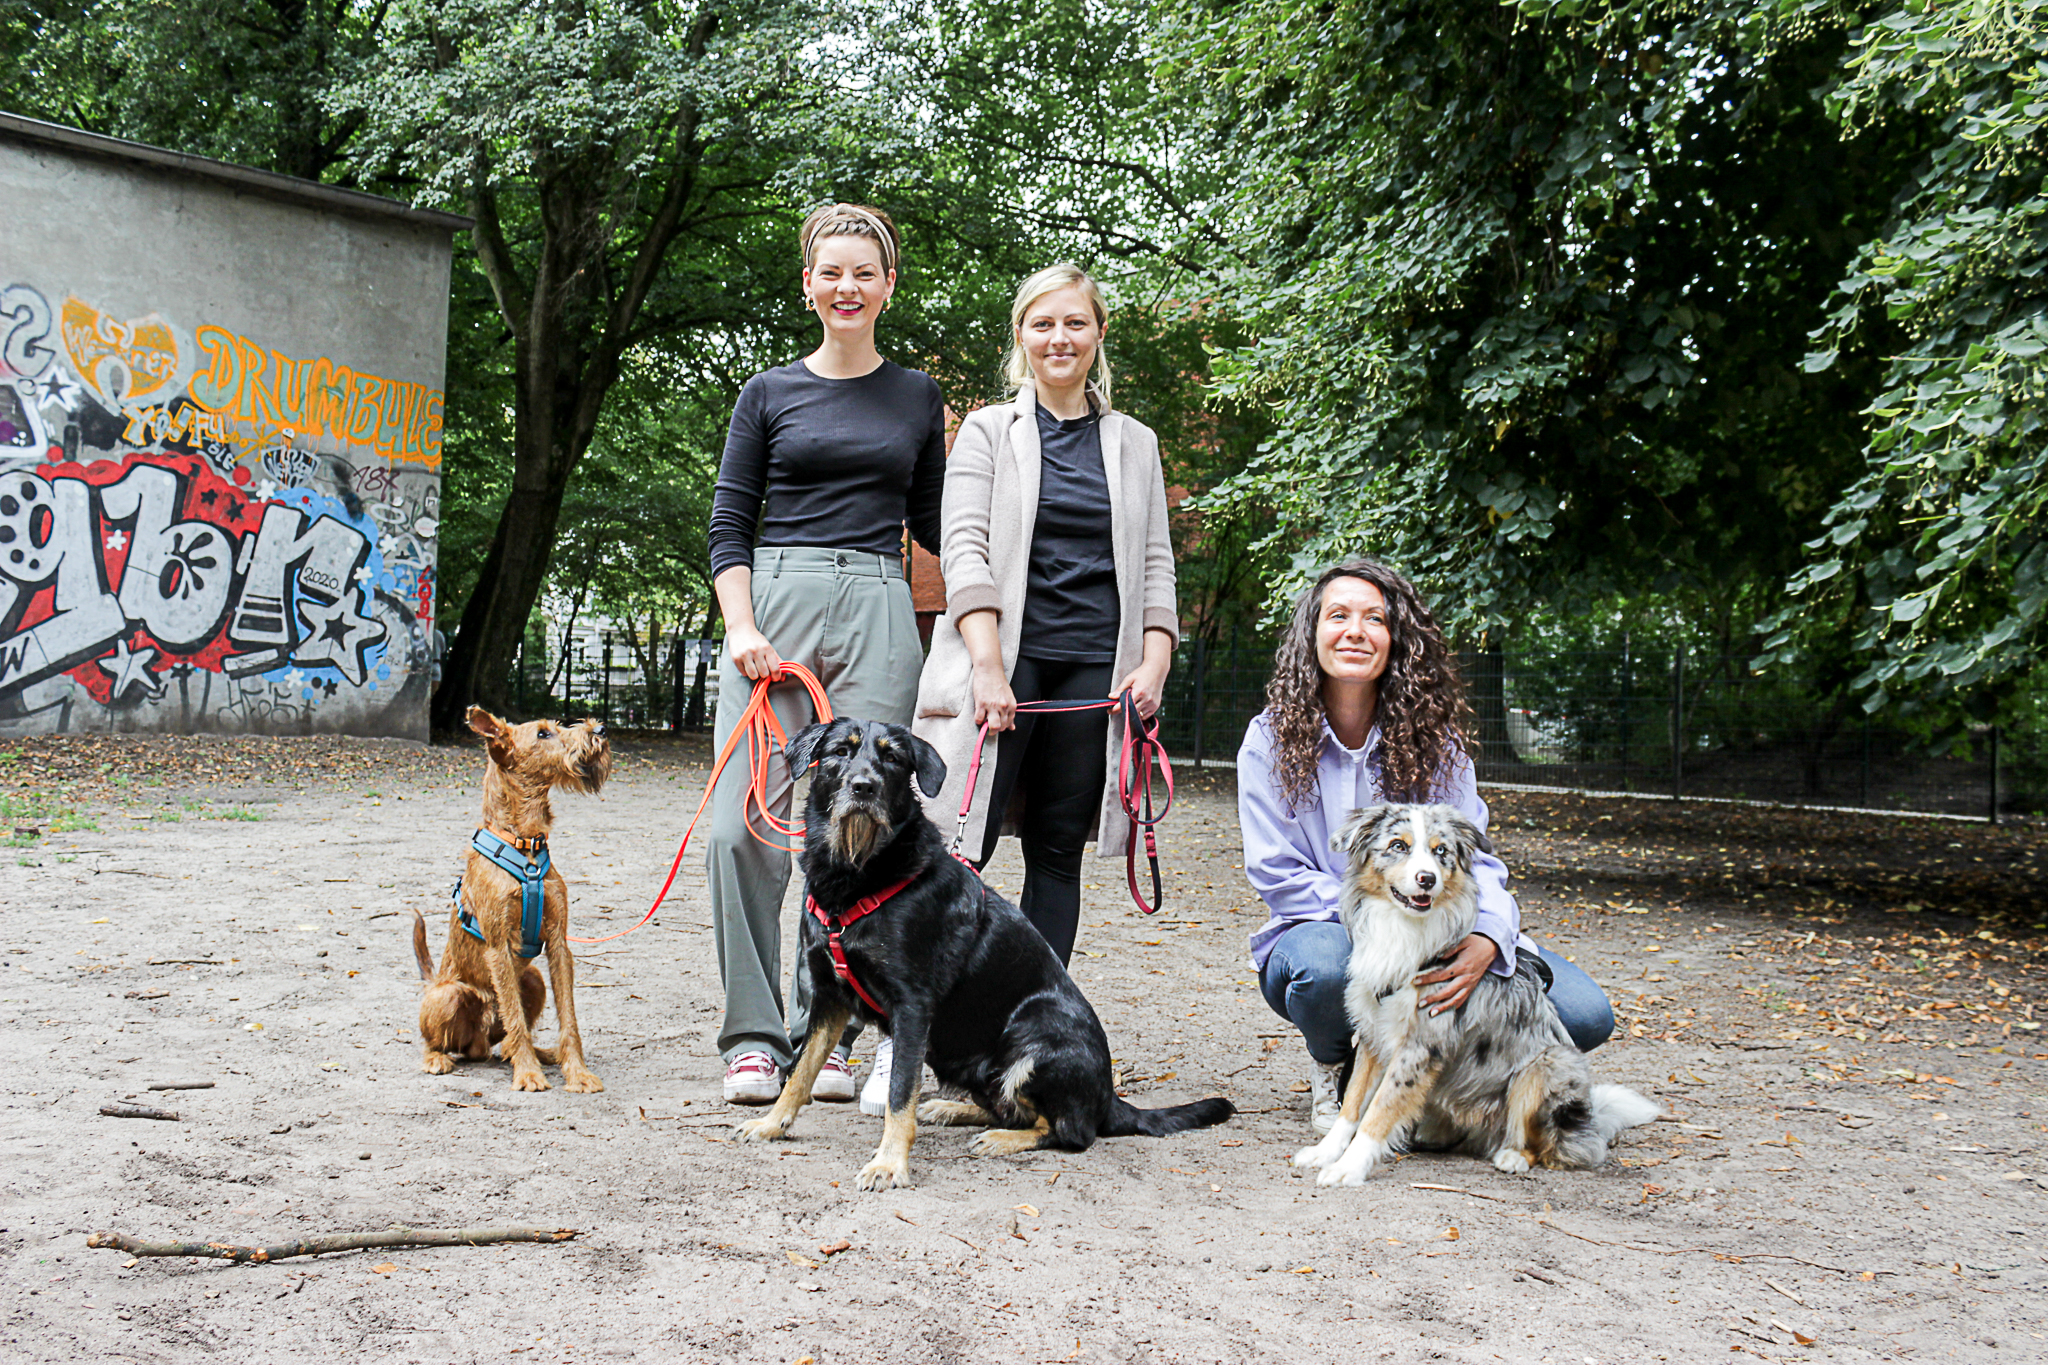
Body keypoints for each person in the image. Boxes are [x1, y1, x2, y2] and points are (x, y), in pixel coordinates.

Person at [901, 262, 1177, 1106]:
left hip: (1097, 674)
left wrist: (1156, 657)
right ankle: (918, 1039)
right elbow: (966, 551)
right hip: (1004, 666)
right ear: (1021, 336)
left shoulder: (1136, 442)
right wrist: (987, 666)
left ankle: (1027, 1035)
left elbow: (1158, 560)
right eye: (1043, 324)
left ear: (1098, 336)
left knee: (1057, 854)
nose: (1060, 338)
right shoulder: (986, 431)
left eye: (1076, 324)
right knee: (956, 850)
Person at [704, 202, 945, 1107]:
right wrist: (741, 625)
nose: (848, 287)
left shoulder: (919, 396)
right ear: (808, 283)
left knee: (869, 827)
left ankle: (831, 1034)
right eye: (831, 272)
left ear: (888, 286)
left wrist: (994, 597)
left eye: (865, 273)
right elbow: (730, 523)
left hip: (882, 601)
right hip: (778, 604)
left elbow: (933, 523)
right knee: (742, 827)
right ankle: (754, 1035)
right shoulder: (767, 393)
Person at [1237, 559, 1615, 1134]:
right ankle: (1336, 1067)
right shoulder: (1269, 740)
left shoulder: (1438, 743)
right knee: (1323, 971)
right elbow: (1276, 872)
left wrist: (1489, 934)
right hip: (1321, 928)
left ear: (1397, 640)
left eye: (1376, 619)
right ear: (1312, 632)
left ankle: (1444, 1088)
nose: (1356, 631)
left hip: (1437, 926)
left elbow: (1478, 861)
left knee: (1584, 1016)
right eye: (1338, 615)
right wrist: (1385, 916)